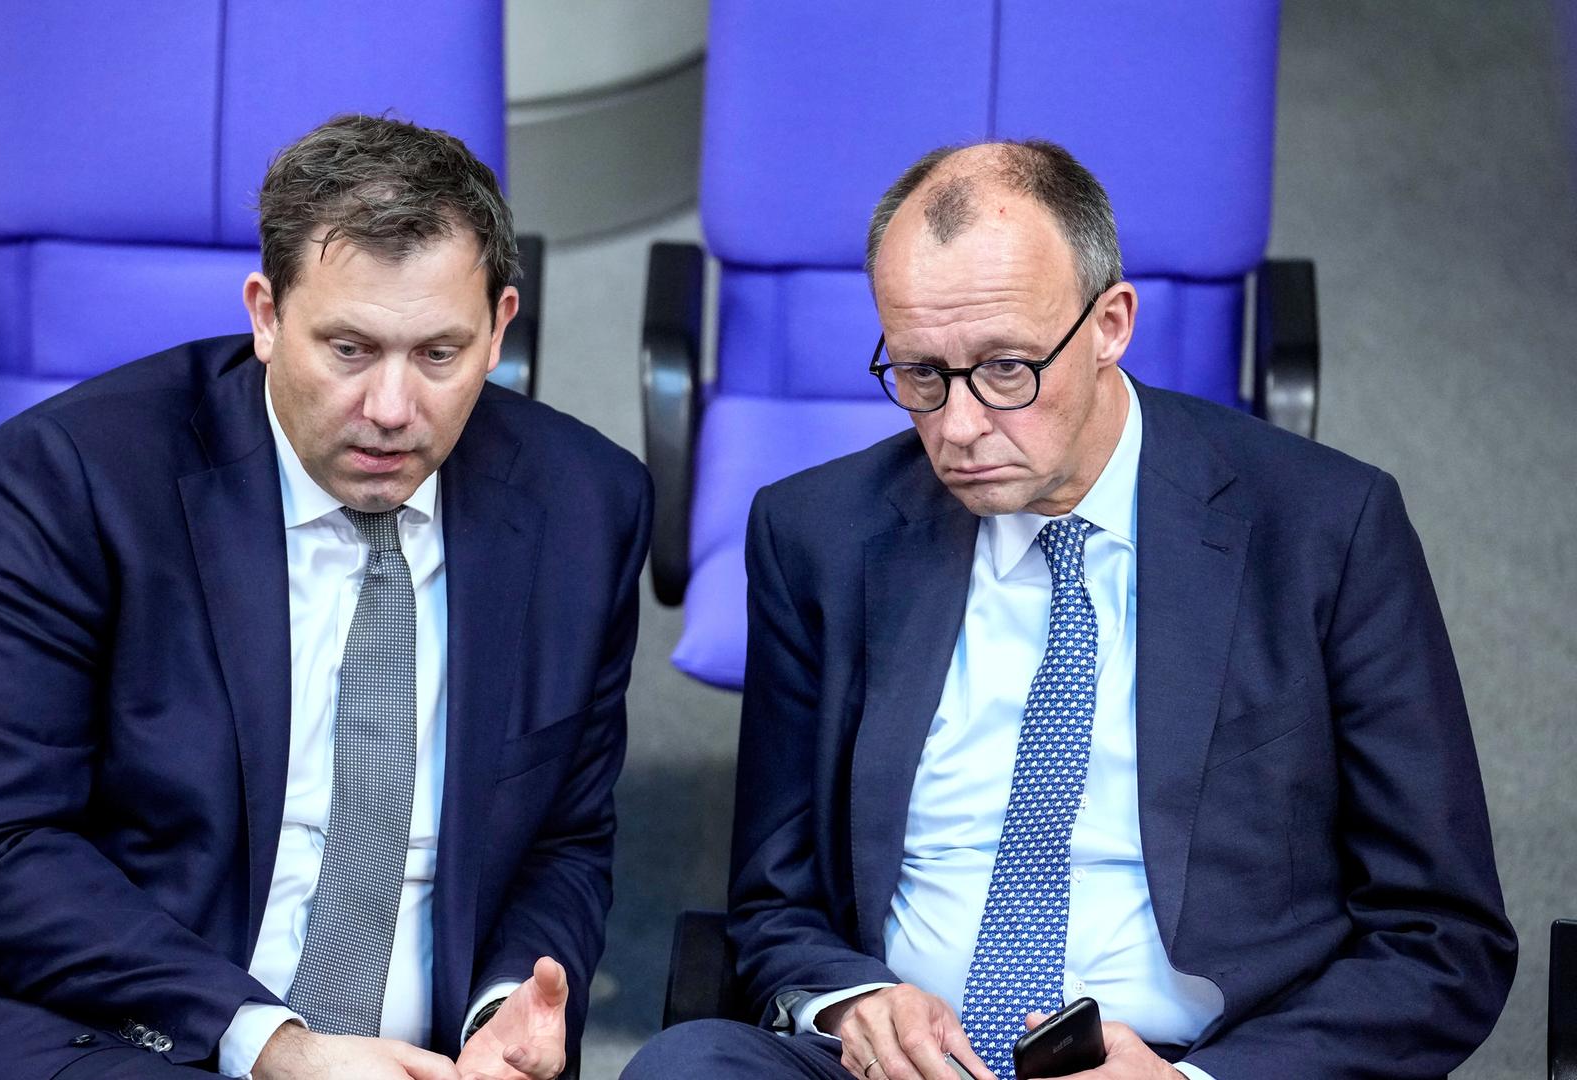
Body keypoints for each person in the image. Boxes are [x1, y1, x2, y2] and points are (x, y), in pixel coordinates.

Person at [623, 140, 1514, 1080]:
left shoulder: (1324, 529)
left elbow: (1443, 939)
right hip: (908, 1066)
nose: (959, 427)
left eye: (1007, 369)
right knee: (687, 1066)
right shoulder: (817, 535)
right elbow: (776, 902)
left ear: (1111, 324)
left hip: (1198, 1061)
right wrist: (853, 1002)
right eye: (921, 375)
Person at [0, 115, 650, 1079]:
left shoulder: (584, 508)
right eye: (348, 349)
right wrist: (271, 1045)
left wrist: (505, 1005)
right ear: (266, 315)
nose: (392, 408)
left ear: (502, 327)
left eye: (438, 355)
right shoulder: (70, 480)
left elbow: (563, 836)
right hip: (79, 1026)